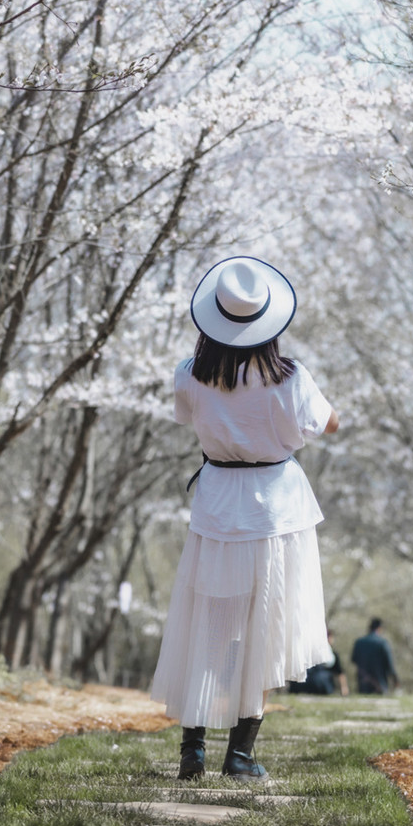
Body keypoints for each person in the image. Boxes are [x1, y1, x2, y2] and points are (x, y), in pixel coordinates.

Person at [150, 256, 339, 780]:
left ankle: (193, 747)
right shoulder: (291, 377)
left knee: (208, 624)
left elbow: (189, 415)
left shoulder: (189, 375)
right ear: (268, 323)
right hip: (276, 510)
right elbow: (331, 424)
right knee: (265, 625)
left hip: (216, 507)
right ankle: (241, 753)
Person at [289, 628, 349, 697]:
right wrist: (344, 688)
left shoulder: (305, 651)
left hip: (302, 686)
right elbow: (340, 673)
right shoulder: (331, 655)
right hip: (320, 685)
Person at [351, 617, 399, 695]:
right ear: (380, 628)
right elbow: (390, 664)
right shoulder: (383, 643)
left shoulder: (359, 642)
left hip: (363, 684)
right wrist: (395, 680)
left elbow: (354, 660)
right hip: (380, 685)